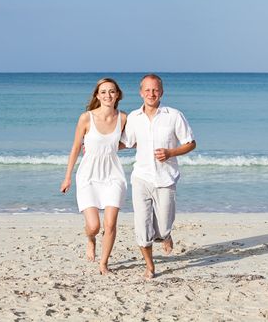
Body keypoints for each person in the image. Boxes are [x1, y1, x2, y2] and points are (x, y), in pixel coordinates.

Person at [121, 73, 196, 279]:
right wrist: (95, 145)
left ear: (161, 92)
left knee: (163, 226)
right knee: (142, 224)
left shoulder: (173, 115)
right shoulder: (134, 118)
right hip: (141, 177)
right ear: (140, 92)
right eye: (147, 90)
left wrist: (171, 153)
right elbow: (126, 143)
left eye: (155, 90)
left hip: (166, 178)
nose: (151, 93)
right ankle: (150, 265)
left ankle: (166, 236)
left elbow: (191, 143)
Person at [60, 78, 127, 275]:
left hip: (113, 174)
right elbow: (74, 148)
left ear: (118, 95)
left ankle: (104, 264)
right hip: (88, 175)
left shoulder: (123, 118)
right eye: (104, 92)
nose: (108, 95)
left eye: (112, 91)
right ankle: (90, 238)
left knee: (110, 223)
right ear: (97, 96)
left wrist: (115, 147)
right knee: (94, 226)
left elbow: (132, 140)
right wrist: (67, 177)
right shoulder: (86, 118)